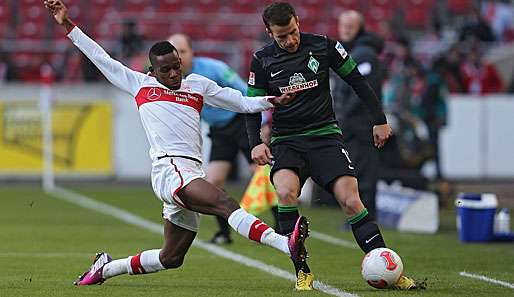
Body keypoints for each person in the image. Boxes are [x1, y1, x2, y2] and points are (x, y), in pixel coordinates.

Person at [43, 0, 308, 289]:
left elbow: (239, 101)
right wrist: (68, 25)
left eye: (175, 67)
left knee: (171, 257)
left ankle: (106, 268)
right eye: (165, 70)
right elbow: (99, 56)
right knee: (225, 202)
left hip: (191, 171)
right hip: (169, 170)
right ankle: (286, 245)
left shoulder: (197, 85)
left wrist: (271, 100)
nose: (172, 75)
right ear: (152, 71)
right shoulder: (140, 85)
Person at [246, 2, 421, 291]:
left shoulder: (324, 46)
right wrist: (255, 144)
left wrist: (379, 120)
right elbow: (251, 105)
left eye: (292, 32)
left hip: (325, 136)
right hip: (287, 140)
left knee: (351, 201)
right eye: (281, 37)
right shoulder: (261, 60)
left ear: (298, 22)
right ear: (269, 33)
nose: (290, 41)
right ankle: (302, 272)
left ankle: (389, 266)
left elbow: (358, 81)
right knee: (287, 192)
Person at [168, 34, 279, 244]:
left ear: (192, 52)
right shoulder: (172, 80)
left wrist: (263, 121)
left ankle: (281, 227)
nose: (179, 58)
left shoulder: (214, 69)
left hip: (240, 122)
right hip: (219, 131)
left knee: (260, 172)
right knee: (214, 181)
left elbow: (244, 91)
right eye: (175, 53)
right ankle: (224, 233)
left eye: (183, 51)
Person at [331, 10, 385, 221]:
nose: (345, 30)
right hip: (352, 124)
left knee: (364, 172)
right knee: (356, 171)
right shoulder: (351, 52)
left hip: (362, 126)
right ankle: (360, 215)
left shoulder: (364, 54)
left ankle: (366, 216)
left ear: (359, 28)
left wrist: (343, 118)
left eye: (350, 26)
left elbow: (363, 91)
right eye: (342, 25)